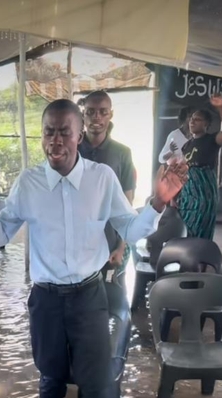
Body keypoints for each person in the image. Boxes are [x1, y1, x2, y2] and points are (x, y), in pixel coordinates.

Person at [0, 99, 187, 398]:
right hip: (46, 298)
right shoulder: (29, 183)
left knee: (96, 378)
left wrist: (158, 202)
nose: (55, 141)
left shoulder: (101, 179)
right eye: (48, 132)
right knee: (51, 377)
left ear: (79, 135)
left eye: (64, 132)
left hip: (89, 295)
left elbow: (131, 231)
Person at [77, 91, 136, 283]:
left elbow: (127, 204)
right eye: (91, 112)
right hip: (77, 238)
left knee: (110, 296)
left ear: (111, 114)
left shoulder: (122, 153)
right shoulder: (71, 150)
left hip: (110, 239)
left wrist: (120, 247)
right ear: (82, 115)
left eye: (103, 112)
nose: (97, 117)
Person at [176, 97, 222, 240]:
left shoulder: (212, 140)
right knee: (185, 233)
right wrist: (174, 197)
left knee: (200, 233)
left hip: (204, 198)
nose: (192, 121)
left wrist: (221, 108)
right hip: (187, 199)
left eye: (197, 119)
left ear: (206, 124)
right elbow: (181, 172)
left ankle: (201, 260)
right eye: (192, 118)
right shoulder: (186, 146)